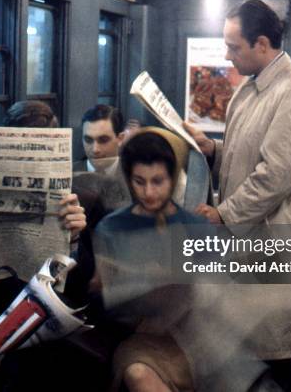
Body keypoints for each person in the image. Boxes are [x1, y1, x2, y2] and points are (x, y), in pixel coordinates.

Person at [183, 0, 291, 391]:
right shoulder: (252, 87)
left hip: (277, 247)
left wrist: (224, 214)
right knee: (253, 358)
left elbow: (275, 175)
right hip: (253, 245)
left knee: (273, 361)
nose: (227, 56)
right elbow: (248, 155)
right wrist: (213, 151)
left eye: (233, 47)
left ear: (262, 43)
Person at [94, 128, 210, 392]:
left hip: (196, 339)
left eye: (158, 181)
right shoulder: (112, 228)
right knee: (138, 373)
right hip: (142, 340)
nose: (148, 192)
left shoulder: (195, 225)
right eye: (139, 181)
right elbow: (107, 308)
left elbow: (218, 291)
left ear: (173, 178)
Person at [74, 104, 125, 175]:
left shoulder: (133, 175)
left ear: (120, 139)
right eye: (88, 140)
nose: (95, 149)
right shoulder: (68, 174)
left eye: (103, 140)